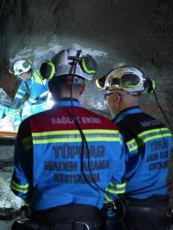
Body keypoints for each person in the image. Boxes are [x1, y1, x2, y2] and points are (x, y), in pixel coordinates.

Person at [10, 48, 126, 230]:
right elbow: (116, 189)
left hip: (45, 220)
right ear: (83, 88)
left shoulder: (30, 126)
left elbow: (20, 187)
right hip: (93, 221)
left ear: (49, 87)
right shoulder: (112, 129)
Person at [98, 66, 173, 230]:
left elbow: (114, 180)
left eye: (107, 96)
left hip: (130, 216)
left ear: (116, 98)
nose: (107, 102)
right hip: (161, 213)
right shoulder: (161, 127)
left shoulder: (118, 132)